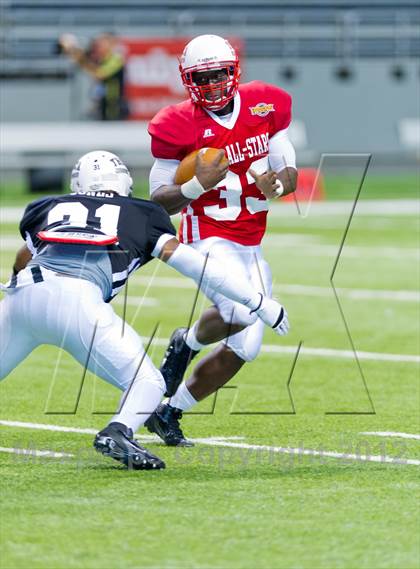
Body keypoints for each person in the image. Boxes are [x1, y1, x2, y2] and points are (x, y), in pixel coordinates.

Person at [0, 150, 289, 471]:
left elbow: (24, 256)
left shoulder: (46, 206)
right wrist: (258, 301)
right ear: (124, 182)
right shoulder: (142, 212)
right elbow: (198, 266)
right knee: (150, 383)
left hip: (20, 297)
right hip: (77, 302)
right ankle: (119, 431)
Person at [146, 34, 298, 446]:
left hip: (251, 240)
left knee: (246, 347)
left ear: (234, 72)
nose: (212, 84)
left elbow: (289, 172)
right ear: (187, 79)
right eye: (203, 77)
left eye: (219, 75)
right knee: (242, 310)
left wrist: (277, 188)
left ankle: (170, 409)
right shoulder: (176, 124)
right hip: (206, 236)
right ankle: (188, 343)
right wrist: (196, 185)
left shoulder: (267, 103)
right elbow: (159, 200)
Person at [59, 33, 127, 120]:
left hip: (113, 102)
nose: (98, 47)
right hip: (102, 101)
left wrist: (81, 60)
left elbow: (100, 74)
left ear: (110, 44)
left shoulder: (116, 58)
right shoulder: (100, 59)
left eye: (102, 44)